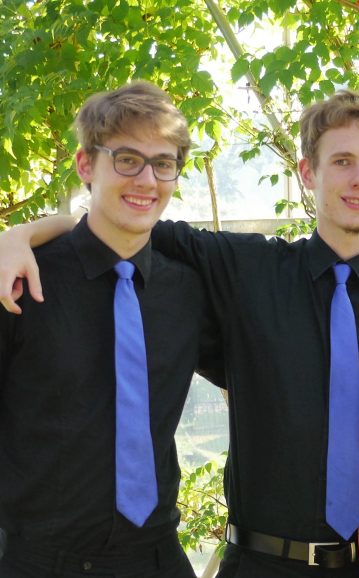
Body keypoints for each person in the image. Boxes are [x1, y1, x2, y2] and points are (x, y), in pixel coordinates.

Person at [0, 89, 359, 578]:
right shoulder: (243, 267)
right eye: (342, 162)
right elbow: (125, 220)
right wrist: (18, 236)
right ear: (308, 173)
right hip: (257, 563)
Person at [0, 81, 220, 577]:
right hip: (38, 562)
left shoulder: (190, 291)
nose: (146, 179)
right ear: (85, 165)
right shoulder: (19, 280)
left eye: (163, 163)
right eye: (126, 159)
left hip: (158, 558)